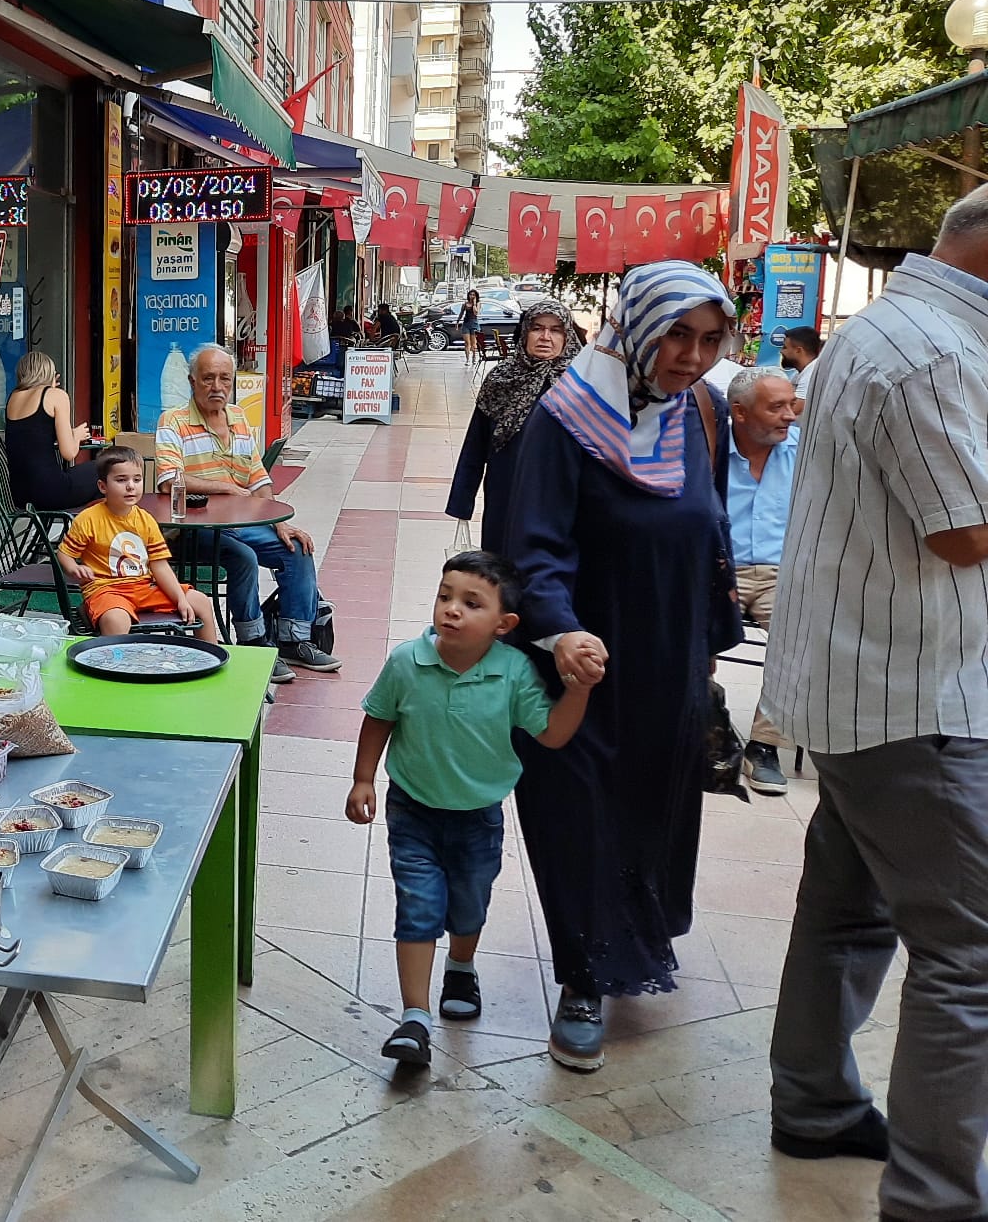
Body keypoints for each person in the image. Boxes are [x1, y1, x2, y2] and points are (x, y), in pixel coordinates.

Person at [764, 184, 988, 1222]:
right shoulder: (933, 351)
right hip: (913, 693)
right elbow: (965, 533)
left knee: (844, 911)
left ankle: (811, 1107)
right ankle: (934, 1196)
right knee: (968, 957)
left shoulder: (891, 328)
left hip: (858, 683)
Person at [503, 260, 743, 1072]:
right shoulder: (565, 419)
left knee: (654, 805)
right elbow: (532, 546)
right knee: (578, 814)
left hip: (670, 659)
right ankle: (582, 975)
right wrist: (561, 630)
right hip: (584, 664)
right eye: (677, 333)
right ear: (638, 326)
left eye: (711, 339)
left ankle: (637, 937)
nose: (693, 355)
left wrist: (714, 630)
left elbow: (708, 526)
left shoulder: (699, 412)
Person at [346, 551, 595, 1067]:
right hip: (412, 809)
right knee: (417, 907)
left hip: (479, 816)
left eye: (470, 603)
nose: (451, 610)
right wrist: (363, 778)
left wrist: (579, 690)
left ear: (503, 625)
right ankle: (414, 1016)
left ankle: (461, 966)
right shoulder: (407, 662)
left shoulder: (513, 672)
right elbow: (378, 718)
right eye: (445, 597)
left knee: (469, 905)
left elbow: (551, 734)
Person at [154, 344, 338, 684]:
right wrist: (224, 486)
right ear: (192, 381)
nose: (217, 387)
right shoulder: (173, 421)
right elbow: (169, 479)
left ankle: (294, 640)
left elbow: (258, 479)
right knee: (243, 558)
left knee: (296, 548)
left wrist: (278, 520)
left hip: (242, 524)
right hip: (194, 531)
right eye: (208, 378)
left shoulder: (238, 418)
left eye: (225, 378)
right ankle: (253, 640)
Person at [445, 300, 577, 553]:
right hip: (507, 499)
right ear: (525, 332)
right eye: (537, 328)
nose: (545, 337)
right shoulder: (501, 379)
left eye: (556, 330)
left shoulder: (583, 386)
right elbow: (475, 445)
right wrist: (462, 503)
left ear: (567, 336)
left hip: (563, 504)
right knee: (502, 580)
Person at [723, 366, 800, 795]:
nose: (790, 415)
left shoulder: (803, 453)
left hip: (781, 575)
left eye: (791, 404)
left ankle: (764, 745)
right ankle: (704, 726)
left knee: (801, 639)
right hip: (720, 570)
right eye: (777, 407)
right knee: (683, 628)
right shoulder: (711, 450)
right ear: (741, 412)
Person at [57, 445, 219, 639]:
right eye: (121, 480)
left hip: (143, 587)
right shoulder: (88, 518)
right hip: (106, 590)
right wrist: (73, 567)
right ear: (103, 487)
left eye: (137, 479)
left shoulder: (146, 520)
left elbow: (160, 566)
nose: (131, 486)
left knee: (200, 601)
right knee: (117, 620)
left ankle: (210, 657)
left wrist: (180, 598)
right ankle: (113, 664)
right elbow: (64, 553)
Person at [3, 349, 99, 511]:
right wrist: (75, 435)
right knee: (106, 468)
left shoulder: (14, 397)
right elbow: (69, 453)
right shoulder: (57, 396)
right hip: (51, 492)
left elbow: (33, 435)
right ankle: (91, 531)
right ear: (49, 373)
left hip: (20, 494)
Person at [779, 325, 822, 413]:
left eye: (785, 347)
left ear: (798, 350)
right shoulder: (802, 372)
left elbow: (794, 409)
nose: (781, 351)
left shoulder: (812, 374)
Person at [459, 288, 483, 366]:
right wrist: (457, 321)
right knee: (467, 343)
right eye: (470, 294)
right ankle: (467, 359)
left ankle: (474, 357)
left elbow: (476, 313)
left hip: (474, 324)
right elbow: (461, 313)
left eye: (473, 295)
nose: (472, 296)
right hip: (466, 324)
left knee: (474, 343)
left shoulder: (478, 303)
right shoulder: (465, 304)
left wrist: (474, 303)